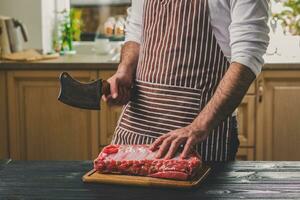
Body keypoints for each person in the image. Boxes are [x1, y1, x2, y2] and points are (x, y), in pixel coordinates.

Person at [102, 0, 269, 162]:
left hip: (198, 136)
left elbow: (247, 56)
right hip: (138, 124)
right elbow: (136, 30)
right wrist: (124, 70)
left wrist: (197, 127)